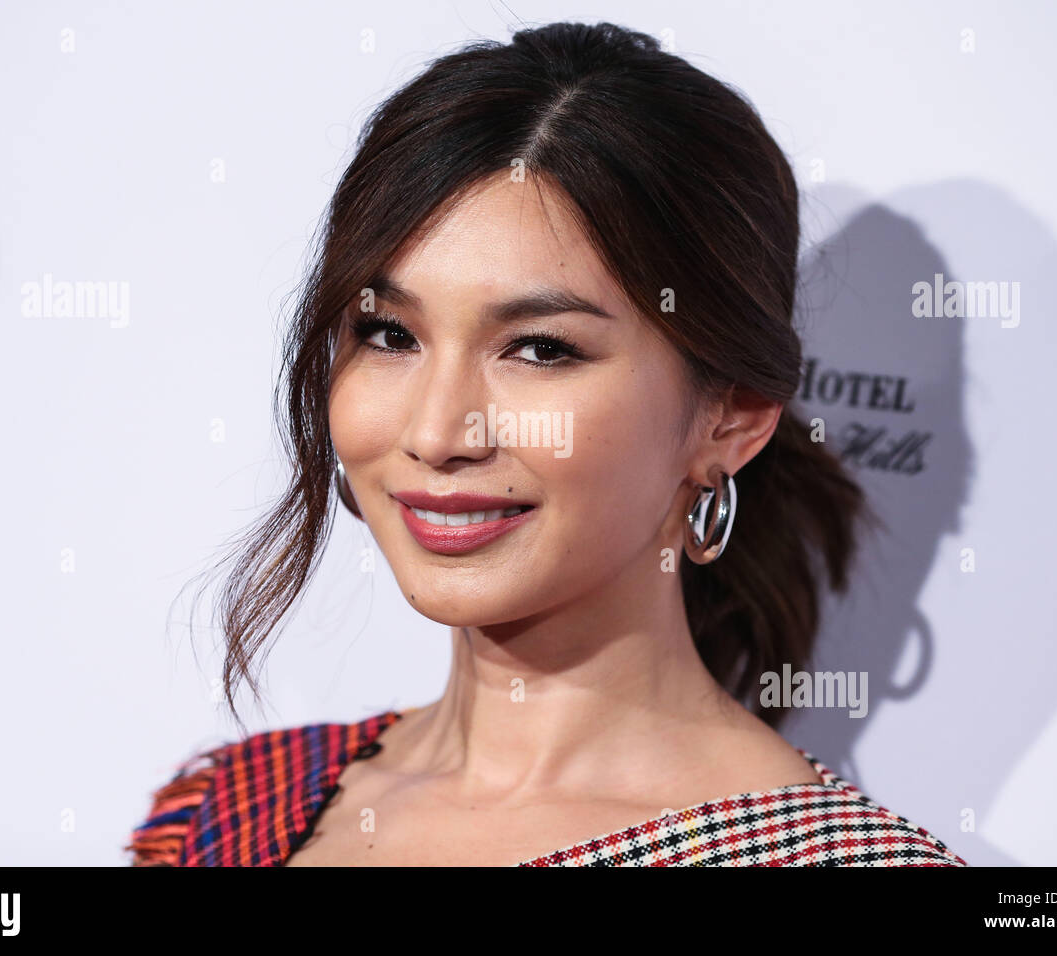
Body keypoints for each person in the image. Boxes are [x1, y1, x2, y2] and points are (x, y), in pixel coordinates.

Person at [127, 20, 966, 867]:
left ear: (733, 416)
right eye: (388, 335)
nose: (434, 432)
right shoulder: (232, 807)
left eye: (540, 349)